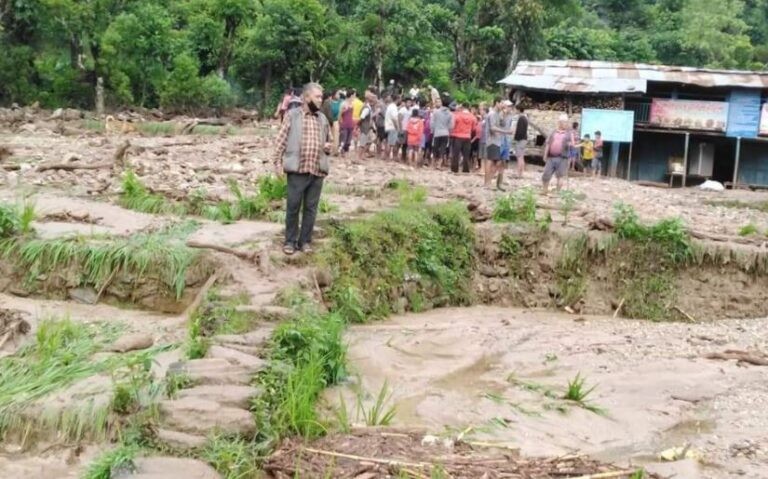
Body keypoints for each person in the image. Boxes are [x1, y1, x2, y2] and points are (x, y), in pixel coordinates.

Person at [273, 82, 331, 255]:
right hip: (297, 169)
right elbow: (281, 140)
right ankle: (290, 241)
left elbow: (329, 141)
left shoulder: (322, 119)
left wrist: (328, 147)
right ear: (306, 97)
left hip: (316, 169)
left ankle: (305, 241)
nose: (321, 100)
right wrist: (277, 162)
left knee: (311, 208)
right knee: (293, 206)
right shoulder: (293, 116)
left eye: (321, 97)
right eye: (317, 97)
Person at [542, 114, 572, 195]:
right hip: (551, 157)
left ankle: (557, 193)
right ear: (559, 123)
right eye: (563, 122)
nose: (565, 124)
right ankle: (545, 191)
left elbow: (572, 146)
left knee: (560, 176)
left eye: (566, 122)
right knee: (546, 174)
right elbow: (548, 144)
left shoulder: (569, 134)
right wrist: (545, 155)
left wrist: (570, 159)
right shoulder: (553, 132)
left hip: (562, 158)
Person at [450, 102, 477, 174]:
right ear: (469, 107)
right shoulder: (472, 117)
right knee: (466, 154)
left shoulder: (457, 115)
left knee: (456, 154)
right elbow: (474, 128)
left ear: (462, 107)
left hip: (457, 136)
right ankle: (465, 169)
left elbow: (453, 125)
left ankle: (454, 169)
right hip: (467, 137)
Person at [431, 100, 453, 168]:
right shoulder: (450, 114)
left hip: (437, 132)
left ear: (442, 104)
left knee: (435, 148)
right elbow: (451, 126)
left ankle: (433, 163)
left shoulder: (436, 112)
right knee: (443, 149)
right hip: (445, 133)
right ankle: (439, 164)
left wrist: (432, 130)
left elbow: (432, 123)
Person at [357, 95, 375, 161]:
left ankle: (362, 155)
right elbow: (362, 117)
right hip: (365, 127)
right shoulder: (367, 108)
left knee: (366, 141)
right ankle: (359, 156)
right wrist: (358, 125)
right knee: (363, 142)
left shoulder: (368, 108)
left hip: (367, 127)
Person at [513, 105, 529, 178]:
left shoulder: (521, 118)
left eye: (516, 109)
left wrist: (516, 138)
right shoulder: (525, 118)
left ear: (519, 110)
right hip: (524, 139)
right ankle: (521, 173)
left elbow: (520, 131)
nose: (515, 111)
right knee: (521, 156)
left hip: (521, 139)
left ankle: (518, 173)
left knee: (519, 157)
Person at [383, 95, 401, 160]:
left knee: (388, 142)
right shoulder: (394, 107)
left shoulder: (390, 106)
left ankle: (386, 156)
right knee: (390, 144)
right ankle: (387, 156)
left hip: (387, 126)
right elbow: (394, 119)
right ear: (397, 99)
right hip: (392, 127)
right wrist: (397, 127)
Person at [330, 90, 342, 155]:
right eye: (338, 94)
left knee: (336, 136)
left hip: (337, 121)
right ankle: (330, 149)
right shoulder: (329, 102)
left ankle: (335, 150)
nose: (339, 95)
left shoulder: (341, 102)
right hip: (329, 121)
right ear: (334, 95)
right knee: (330, 136)